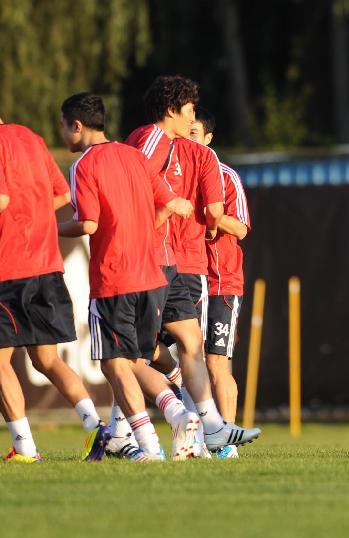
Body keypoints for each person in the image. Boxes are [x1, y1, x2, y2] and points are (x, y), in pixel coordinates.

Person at [0, 80, 109, 463]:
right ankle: (93, 425)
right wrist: (30, 216)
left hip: (6, 268)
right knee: (47, 359)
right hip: (47, 264)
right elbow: (62, 196)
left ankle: (25, 447)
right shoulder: (31, 138)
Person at [57, 91, 202, 461]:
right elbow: (171, 202)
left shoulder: (84, 166)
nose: (61, 134)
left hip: (115, 277)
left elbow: (88, 222)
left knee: (113, 363)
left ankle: (148, 446)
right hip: (153, 275)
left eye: (63, 126)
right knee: (136, 361)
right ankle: (179, 412)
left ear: (77, 125)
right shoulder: (135, 156)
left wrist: (51, 227)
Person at [124, 75, 260, 454]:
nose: (191, 121)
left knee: (194, 351)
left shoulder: (203, 159)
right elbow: (137, 188)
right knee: (139, 354)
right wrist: (170, 204)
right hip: (162, 263)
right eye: (188, 113)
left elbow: (235, 223)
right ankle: (143, 435)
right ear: (173, 111)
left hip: (201, 272)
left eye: (196, 120)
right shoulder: (153, 141)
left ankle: (210, 432)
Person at [188, 109, 251, 459]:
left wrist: (212, 216)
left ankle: (227, 442)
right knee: (181, 360)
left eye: (194, 132)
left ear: (209, 138)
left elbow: (240, 228)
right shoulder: (176, 175)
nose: (188, 137)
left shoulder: (226, 177)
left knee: (216, 363)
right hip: (185, 279)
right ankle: (194, 435)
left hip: (221, 282)